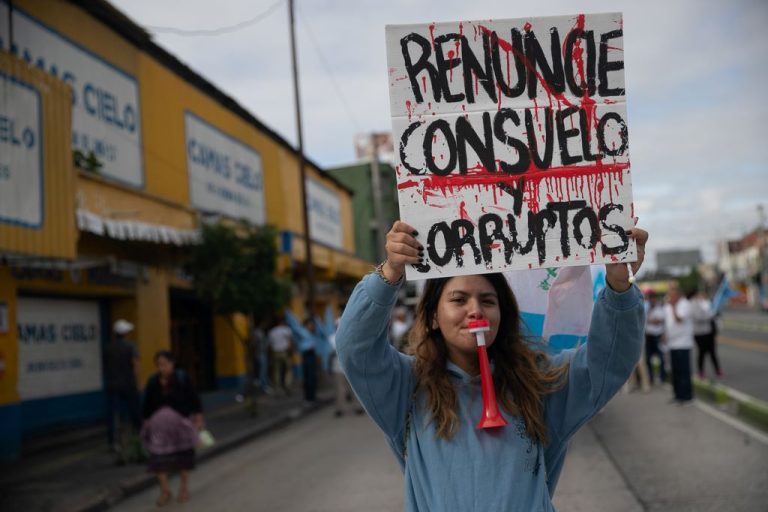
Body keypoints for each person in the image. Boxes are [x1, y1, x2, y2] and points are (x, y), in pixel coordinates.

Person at [335, 220, 648, 511]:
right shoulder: (406, 387)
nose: (475, 310)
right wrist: (388, 274)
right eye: (459, 300)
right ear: (432, 317)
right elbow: (355, 347)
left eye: (488, 300)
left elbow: (609, 360)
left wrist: (619, 288)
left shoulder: (539, 383)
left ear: (503, 314)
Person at [142, 351, 203, 506]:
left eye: (164, 364)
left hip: (180, 428)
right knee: (158, 460)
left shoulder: (182, 379)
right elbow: (147, 405)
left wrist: (198, 417)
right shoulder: (153, 382)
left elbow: (194, 398)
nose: (161, 368)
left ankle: (183, 488)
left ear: (172, 364)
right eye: (158, 365)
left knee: (183, 458)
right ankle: (165, 491)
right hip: (159, 431)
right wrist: (146, 423)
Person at [104, 319, 142, 458]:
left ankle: (113, 442)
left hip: (112, 385)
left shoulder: (108, 347)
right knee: (134, 411)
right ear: (125, 333)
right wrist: (138, 383)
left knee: (113, 413)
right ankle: (138, 436)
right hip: (129, 384)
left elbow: (106, 367)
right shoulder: (131, 347)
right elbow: (136, 365)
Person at [664, 281, 695, 405]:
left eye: (672, 293)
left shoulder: (684, 304)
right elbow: (668, 323)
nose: (670, 296)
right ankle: (677, 395)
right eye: (669, 292)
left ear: (678, 294)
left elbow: (679, 319)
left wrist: (673, 306)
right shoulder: (668, 306)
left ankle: (687, 397)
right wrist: (664, 335)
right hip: (672, 343)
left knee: (684, 372)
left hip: (683, 343)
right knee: (675, 372)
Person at [690, 290, 723, 379]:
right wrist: (710, 316)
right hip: (699, 333)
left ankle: (717, 370)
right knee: (702, 352)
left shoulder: (709, 303)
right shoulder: (693, 304)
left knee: (712, 352)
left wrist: (713, 315)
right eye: (700, 294)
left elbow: (716, 313)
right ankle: (701, 372)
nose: (702, 296)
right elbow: (697, 317)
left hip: (709, 331)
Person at [644, 291, 667, 385]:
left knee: (661, 358)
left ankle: (662, 376)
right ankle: (651, 377)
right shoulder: (646, 308)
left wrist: (652, 320)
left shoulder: (660, 308)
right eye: (650, 299)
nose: (651, 300)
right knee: (648, 358)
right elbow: (645, 320)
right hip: (648, 335)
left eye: (652, 298)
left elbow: (660, 321)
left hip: (657, 335)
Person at [268, 316, 294, 395]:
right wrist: (291, 351)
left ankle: (278, 388)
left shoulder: (272, 332)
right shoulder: (286, 330)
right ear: (283, 323)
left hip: (275, 353)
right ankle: (287, 386)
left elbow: (270, 345)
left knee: (277, 371)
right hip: (285, 352)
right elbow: (290, 342)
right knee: (288, 370)